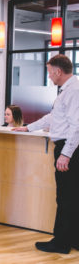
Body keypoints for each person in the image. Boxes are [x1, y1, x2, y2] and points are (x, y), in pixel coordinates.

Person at [13, 54, 79, 254]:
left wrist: (66, 154)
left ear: (58, 71)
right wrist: (28, 128)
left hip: (69, 149)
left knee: (65, 197)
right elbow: (53, 117)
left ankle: (61, 243)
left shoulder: (74, 90)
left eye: (50, 73)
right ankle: (72, 238)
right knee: (71, 197)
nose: (49, 77)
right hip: (67, 148)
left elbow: (77, 126)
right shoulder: (67, 90)